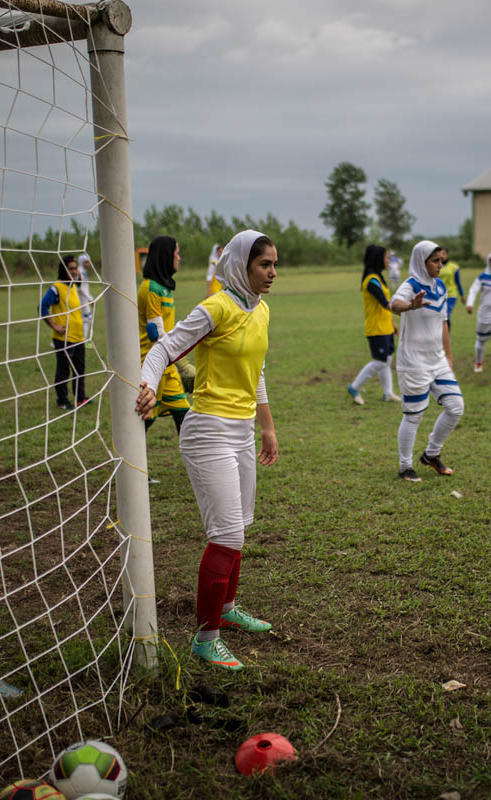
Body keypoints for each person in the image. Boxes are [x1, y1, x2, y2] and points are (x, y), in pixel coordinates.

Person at [136, 229, 279, 671]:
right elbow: (163, 348)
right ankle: (206, 638)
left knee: (241, 527)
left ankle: (227, 608)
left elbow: (256, 372)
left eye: (275, 264)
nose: (272, 272)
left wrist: (267, 427)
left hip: (242, 430)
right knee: (227, 534)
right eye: (264, 265)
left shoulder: (261, 310)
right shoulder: (216, 307)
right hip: (208, 431)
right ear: (241, 265)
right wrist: (147, 384)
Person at [390, 240, 463, 482]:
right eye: (435, 261)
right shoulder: (410, 285)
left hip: (437, 360)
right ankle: (405, 467)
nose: (440, 265)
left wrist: (449, 357)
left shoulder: (440, 286)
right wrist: (411, 305)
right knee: (413, 415)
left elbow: (443, 324)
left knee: (456, 407)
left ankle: (431, 454)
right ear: (422, 262)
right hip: (414, 362)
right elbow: (394, 304)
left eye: (441, 260)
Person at [137, 236, 190, 432]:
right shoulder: (151, 288)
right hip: (151, 365)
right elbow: (155, 333)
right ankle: (124, 451)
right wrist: (183, 363)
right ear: (166, 256)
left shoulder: (164, 288)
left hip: (167, 366)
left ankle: (193, 453)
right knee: (143, 419)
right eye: (177, 253)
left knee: (185, 416)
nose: (179, 258)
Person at [347, 244, 401, 404]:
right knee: (380, 361)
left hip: (385, 326)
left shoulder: (378, 278)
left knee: (387, 360)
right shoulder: (371, 280)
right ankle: (354, 387)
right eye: (386, 257)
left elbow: (385, 306)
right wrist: (407, 308)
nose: (389, 260)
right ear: (378, 259)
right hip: (377, 328)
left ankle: (388, 393)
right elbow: (386, 303)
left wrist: (392, 322)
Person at [39, 255, 88, 409]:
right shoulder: (56, 288)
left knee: (79, 369)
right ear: (64, 270)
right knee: (63, 370)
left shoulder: (73, 286)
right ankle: (62, 401)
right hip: (64, 338)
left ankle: (80, 398)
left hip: (78, 336)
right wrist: (54, 326)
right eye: (70, 268)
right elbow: (42, 307)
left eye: (75, 268)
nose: (74, 271)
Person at [464, 251, 491, 373]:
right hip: (485, 314)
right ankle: (478, 363)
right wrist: (469, 304)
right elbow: (473, 290)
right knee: (481, 341)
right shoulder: (482, 277)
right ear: (489, 262)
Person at [438, 248, 464, 331]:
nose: (442, 256)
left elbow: (458, 282)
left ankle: (447, 335)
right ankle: (440, 334)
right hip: (438, 295)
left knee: (446, 315)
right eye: (440, 254)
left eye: (444, 253)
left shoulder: (454, 267)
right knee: (438, 315)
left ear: (447, 255)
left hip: (450, 295)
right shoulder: (436, 266)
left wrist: (462, 295)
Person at [76, 253, 96, 346]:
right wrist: (90, 299)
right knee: (87, 319)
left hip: (83, 298)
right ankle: (82, 341)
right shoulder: (80, 272)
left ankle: (82, 340)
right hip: (81, 299)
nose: (88, 264)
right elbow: (80, 288)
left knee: (80, 319)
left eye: (89, 262)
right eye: (86, 262)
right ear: (81, 262)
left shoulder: (83, 271)